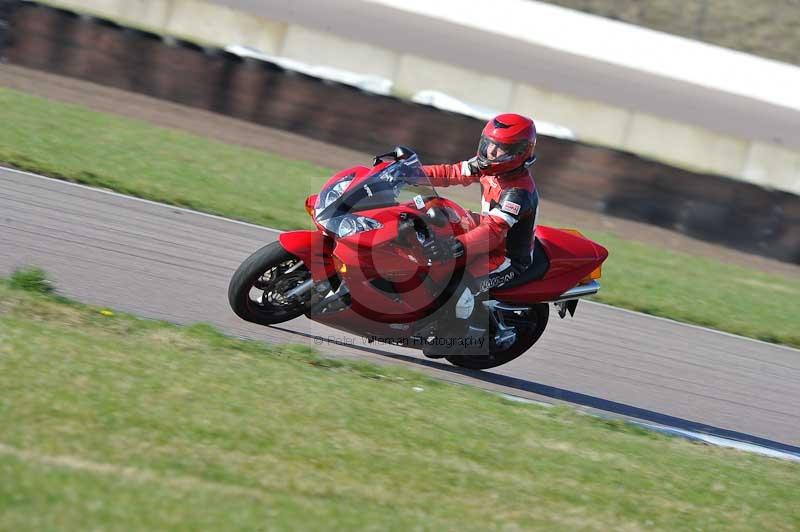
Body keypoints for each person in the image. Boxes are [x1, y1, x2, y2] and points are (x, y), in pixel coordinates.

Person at [420, 113, 540, 355]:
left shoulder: (517, 192)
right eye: (490, 144)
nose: (491, 153)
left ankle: (455, 335)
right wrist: (410, 173)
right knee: (429, 211)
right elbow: (451, 172)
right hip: (482, 231)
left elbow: (494, 233)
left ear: (519, 153)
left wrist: (456, 246)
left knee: (460, 282)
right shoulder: (489, 167)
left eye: (500, 149)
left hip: (504, 256)